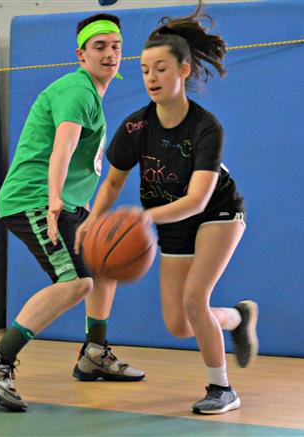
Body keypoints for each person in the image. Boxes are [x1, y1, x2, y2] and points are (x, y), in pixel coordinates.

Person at [75, 1, 258, 415]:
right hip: (170, 221)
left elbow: (197, 199)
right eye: (144, 70)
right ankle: (237, 318)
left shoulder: (205, 126)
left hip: (217, 213)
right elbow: (115, 181)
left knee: (195, 298)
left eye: (160, 69)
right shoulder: (137, 125)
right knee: (179, 323)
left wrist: (141, 217)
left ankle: (222, 388)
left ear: (184, 71)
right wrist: (94, 220)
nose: (151, 78)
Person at [0, 13, 145, 412]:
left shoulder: (92, 93)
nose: (110, 53)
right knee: (76, 283)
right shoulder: (77, 91)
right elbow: (62, 147)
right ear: (81, 55)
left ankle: (94, 353)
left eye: (115, 46)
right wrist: (55, 203)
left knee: (103, 268)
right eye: (99, 47)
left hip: (64, 202)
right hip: (35, 199)